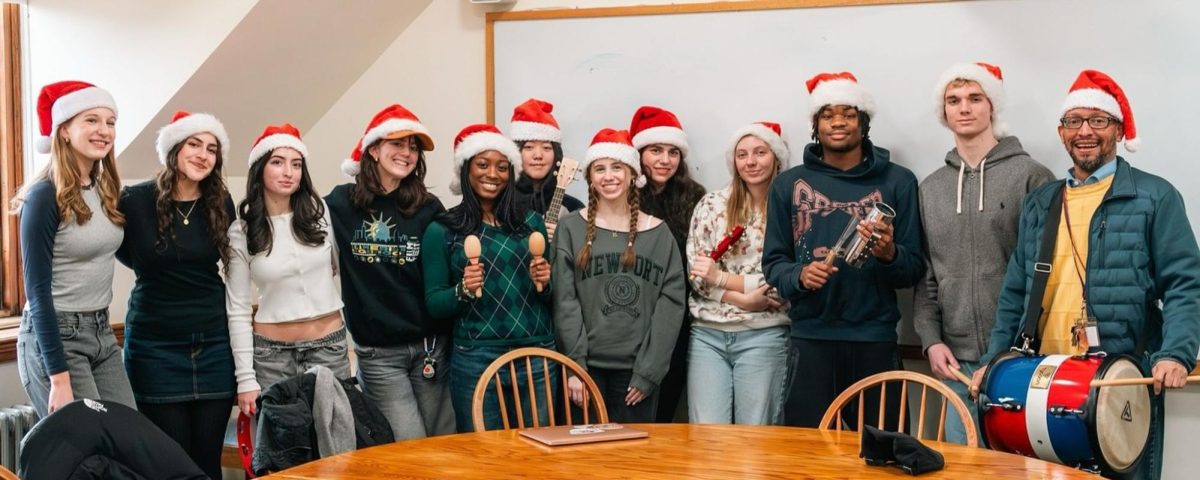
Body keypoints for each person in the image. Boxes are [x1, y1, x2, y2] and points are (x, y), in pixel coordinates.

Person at [970, 70, 1200, 480]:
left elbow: (1184, 282)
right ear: (1061, 133)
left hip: (1119, 379)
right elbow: (1015, 291)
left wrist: (1176, 353)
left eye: (1098, 120)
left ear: (1118, 129)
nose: (1085, 132)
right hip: (1042, 378)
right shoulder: (1042, 201)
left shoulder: (1155, 195)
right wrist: (994, 360)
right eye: (1074, 121)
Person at [762, 72, 924, 429]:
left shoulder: (898, 181)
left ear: (863, 123)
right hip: (811, 339)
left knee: (885, 453)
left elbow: (913, 268)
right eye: (827, 114)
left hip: (875, 340)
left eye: (849, 114)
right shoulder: (788, 185)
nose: (838, 122)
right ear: (815, 124)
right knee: (806, 456)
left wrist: (888, 253)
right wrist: (799, 275)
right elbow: (773, 263)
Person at [912, 63, 1054, 444]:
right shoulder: (930, 188)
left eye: (975, 98)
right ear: (943, 112)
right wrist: (930, 339)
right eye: (953, 100)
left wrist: (1008, 350)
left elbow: (1045, 273)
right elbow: (926, 275)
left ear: (992, 106)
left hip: (1018, 361)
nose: (964, 108)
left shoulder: (1032, 176)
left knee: (1016, 466)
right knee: (962, 464)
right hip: (954, 362)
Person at [117, 110, 236, 480]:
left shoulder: (220, 201)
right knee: (170, 465)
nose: (203, 154)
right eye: (194, 144)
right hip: (154, 347)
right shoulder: (135, 201)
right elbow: (123, 251)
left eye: (212, 149)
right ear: (173, 148)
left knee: (207, 462)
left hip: (214, 343)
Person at [325, 104, 455, 439]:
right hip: (379, 355)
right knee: (407, 448)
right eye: (397, 144)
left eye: (413, 147)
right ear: (373, 149)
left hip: (431, 348)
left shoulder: (428, 207)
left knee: (443, 445)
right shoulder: (340, 204)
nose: (407, 153)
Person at [423, 123, 555, 432]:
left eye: (501, 167)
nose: (492, 174)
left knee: (540, 456)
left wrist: (546, 282)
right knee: (483, 458)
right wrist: (463, 290)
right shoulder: (442, 230)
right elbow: (434, 304)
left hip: (536, 353)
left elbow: (550, 298)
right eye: (482, 165)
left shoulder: (531, 223)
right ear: (466, 170)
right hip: (475, 358)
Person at [14, 81, 134, 418]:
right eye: (91, 120)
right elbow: (37, 291)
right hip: (56, 337)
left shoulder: (104, 189)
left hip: (101, 332)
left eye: (110, 122)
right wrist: (59, 377)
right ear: (64, 131)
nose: (104, 131)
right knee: (90, 451)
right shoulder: (43, 196)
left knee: (129, 437)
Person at [553, 128, 686, 423]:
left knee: (632, 463)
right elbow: (565, 300)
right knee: (583, 462)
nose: (609, 176)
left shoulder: (659, 233)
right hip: (585, 371)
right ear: (590, 177)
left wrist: (649, 372)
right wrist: (575, 366)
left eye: (617, 167)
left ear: (632, 175)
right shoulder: (571, 228)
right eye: (599, 169)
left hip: (636, 375)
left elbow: (671, 307)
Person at [226, 123, 349, 417]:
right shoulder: (241, 231)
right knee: (284, 453)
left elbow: (339, 270)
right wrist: (245, 378)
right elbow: (238, 308)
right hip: (271, 356)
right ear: (260, 169)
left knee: (339, 448)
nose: (288, 172)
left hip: (329, 348)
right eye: (277, 162)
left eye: (296, 164)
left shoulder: (320, 213)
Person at [686, 122, 791, 425]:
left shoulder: (790, 209)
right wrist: (738, 297)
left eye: (760, 152)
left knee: (756, 437)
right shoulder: (711, 205)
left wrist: (723, 278)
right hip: (708, 335)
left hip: (764, 334)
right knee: (708, 437)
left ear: (776, 158)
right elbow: (697, 272)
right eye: (742, 154)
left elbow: (785, 278)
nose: (751, 162)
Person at [629, 105, 705, 422]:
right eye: (656, 150)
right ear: (638, 153)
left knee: (666, 407)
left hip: (677, 317)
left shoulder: (694, 195)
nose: (665, 160)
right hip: (631, 313)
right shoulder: (622, 193)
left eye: (673, 152)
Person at [509, 98, 584, 234]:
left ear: (557, 155)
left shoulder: (574, 208)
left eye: (546, 148)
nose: (538, 155)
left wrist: (565, 239)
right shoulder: (502, 202)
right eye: (529, 147)